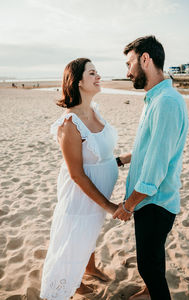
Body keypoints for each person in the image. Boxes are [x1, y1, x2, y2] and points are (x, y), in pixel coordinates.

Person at [113, 36, 188, 300]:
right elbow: (152, 147)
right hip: (150, 202)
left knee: (149, 266)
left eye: (130, 63)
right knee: (153, 260)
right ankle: (148, 290)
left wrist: (128, 206)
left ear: (146, 59)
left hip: (155, 203)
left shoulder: (166, 102)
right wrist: (123, 159)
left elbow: (155, 171)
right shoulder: (155, 98)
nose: (127, 71)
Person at [40, 58, 119, 300]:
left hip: (99, 191)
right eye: (92, 73)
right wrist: (108, 205)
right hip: (79, 193)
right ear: (78, 82)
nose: (98, 77)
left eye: (97, 72)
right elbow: (76, 173)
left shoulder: (95, 110)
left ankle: (90, 268)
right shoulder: (69, 124)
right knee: (74, 236)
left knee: (90, 231)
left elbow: (101, 155)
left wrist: (125, 159)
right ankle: (71, 286)